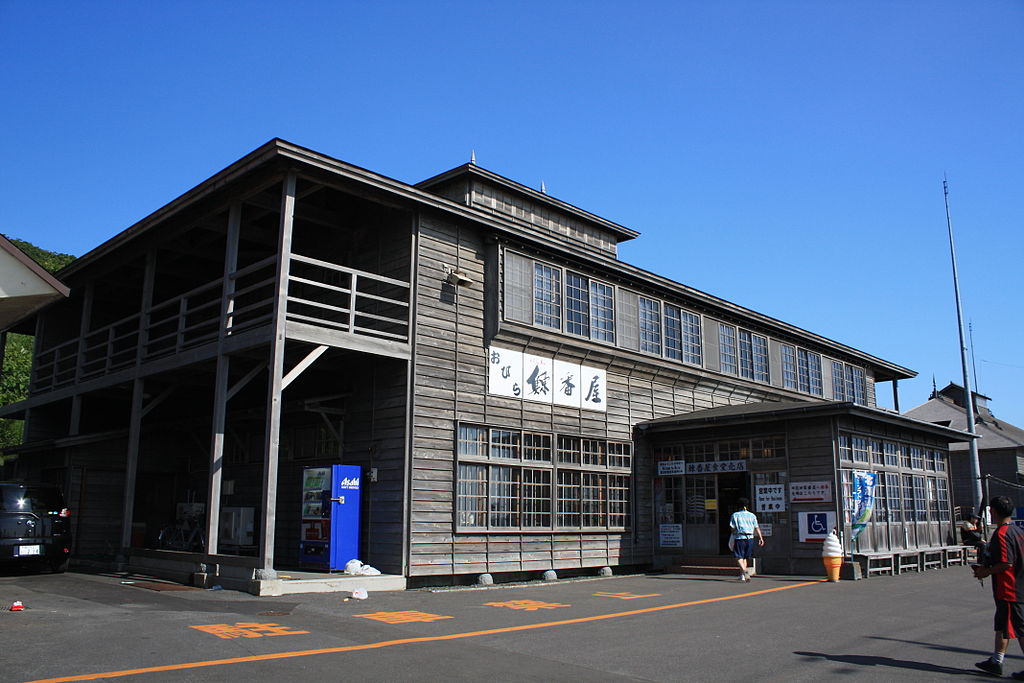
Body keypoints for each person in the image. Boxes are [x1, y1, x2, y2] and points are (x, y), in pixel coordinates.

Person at [972, 496, 1024, 678]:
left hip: (1010, 588)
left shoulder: (1002, 534)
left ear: (993, 512)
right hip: (1017, 584)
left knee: (1019, 627)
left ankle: (998, 660)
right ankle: (997, 660)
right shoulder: (1018, 530)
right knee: (1002, 625)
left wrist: (986, 572)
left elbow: (1006, 563)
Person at [729, 497, 765, 582]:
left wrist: (733, 533)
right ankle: (742, 576)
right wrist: (761, 538)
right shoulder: (752, 515)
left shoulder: (735, 515)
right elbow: (757, 527)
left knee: (738, 556)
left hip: (740, 537)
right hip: (750, 538)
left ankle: (745, 571)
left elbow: (732, 528)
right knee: (745, 557)